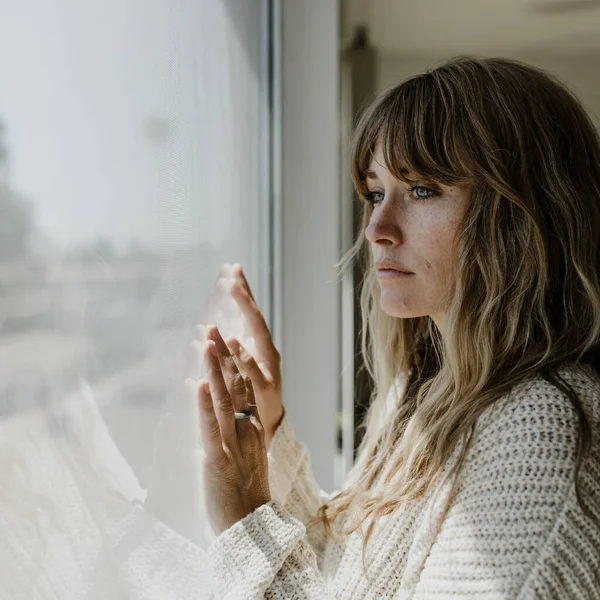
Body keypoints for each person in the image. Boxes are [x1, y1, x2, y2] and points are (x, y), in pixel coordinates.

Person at [196, 56, 600, 599]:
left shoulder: (543, 427)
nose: (377, 229)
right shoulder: (426, 397)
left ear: (522, 213)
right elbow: (346, 578)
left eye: (423, 189)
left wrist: (247, 528)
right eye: (375, 192)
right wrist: (268, 429)